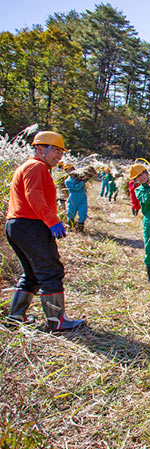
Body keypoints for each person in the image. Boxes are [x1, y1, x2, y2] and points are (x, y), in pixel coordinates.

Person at [5, 131, 84, 331]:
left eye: (61, 152)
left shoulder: (30, 167)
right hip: (30, 225)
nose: (59, 156)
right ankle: (57, 321)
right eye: (55, 151)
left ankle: (15, 316)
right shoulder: (36, 167)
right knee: (51, 270)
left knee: (32, 273)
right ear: (40, 148)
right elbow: (35, 196)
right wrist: (52, 221)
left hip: (17, 225)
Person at [63, 164, 88, 233]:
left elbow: (88, 176)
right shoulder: (68, 181)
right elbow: (76, 188)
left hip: (82, 198)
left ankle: (80, 229)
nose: (71, 171)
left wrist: (87, 175)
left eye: (71, 169)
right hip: (73, 198)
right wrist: (82, 182)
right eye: (68, 170)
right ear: (66, 172)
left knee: (83, 212)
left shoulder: (80, 177)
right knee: (71, 212)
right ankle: (70, 227)